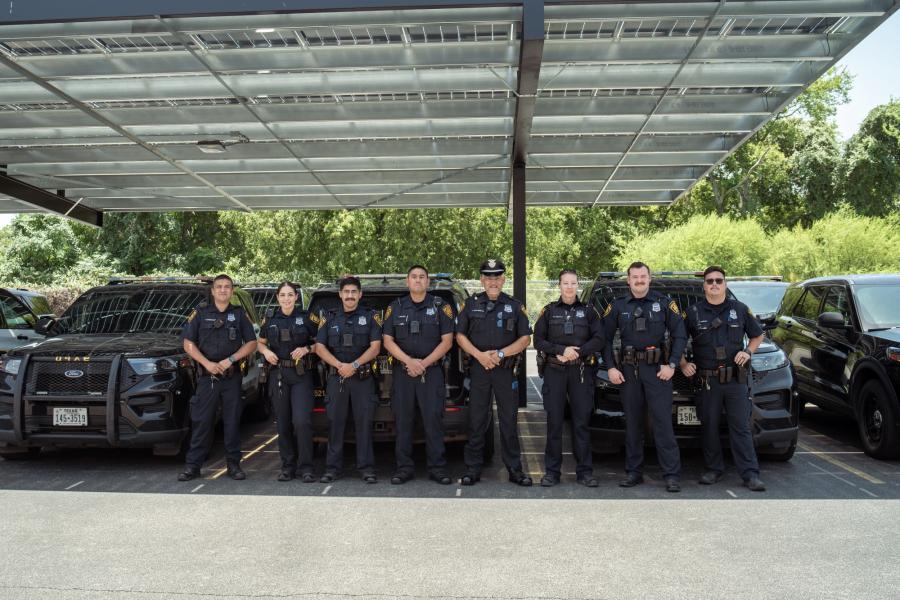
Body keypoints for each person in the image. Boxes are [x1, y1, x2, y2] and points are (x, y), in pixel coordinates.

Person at [601, 262, 687, 493]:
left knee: (662, 423)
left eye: (643, 276)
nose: (639, 280)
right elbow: (605, 339)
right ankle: (633, 472)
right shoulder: (618, 305)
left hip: (658, 371)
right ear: (628, 280)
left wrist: (672, 364)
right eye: (635, 277)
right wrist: (610, 367)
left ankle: (671, 474)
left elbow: (680, 334)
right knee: (633, 424)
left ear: (650, 278)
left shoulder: (663, 303)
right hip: (628, 371)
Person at [681, 266, 766, 491]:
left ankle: (750, 474)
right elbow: (677, 341)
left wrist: (747, 352)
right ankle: (713, 469)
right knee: (709, 426)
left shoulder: (739, 309)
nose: (714, 284)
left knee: (740, 427)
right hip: (708, 380)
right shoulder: (693, 312)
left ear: (725, 284)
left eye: (719, 280)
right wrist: (683, 364)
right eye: (710, 281)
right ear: (704, 286)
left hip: (735, 380)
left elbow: (758, 335)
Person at [456, 259, 533, 486]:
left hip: (505, 372)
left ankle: (515, 470)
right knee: (477, 421)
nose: (493, 281)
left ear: (503, 280)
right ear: (482, 279)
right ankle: (473, 469)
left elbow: (525, 339)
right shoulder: (470, 305)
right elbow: (460, 336)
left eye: (497, 277)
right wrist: (480, 356)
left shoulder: (515, 306)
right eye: (488, 277)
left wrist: (499, 355)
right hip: (479, 370)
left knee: (509, 421)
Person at [178, 274, 257, 481]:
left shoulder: (239, 314)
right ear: (212, 291)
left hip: (231, 377)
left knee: (232, 422)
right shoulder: (201, 313)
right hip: (207, 377)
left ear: (232, 291)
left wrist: (230, 359)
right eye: (219, 287)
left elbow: (251, 343)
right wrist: (207, 364)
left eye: (227, 287)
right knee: (202, 421)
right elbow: (188, 343)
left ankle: (234, 466)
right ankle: (193, 466)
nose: (223, 290)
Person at [382, 266, 455, 485]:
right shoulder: (395, 307)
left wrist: (423, 363)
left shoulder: (441, 306)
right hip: (404, 372)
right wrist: (409, 361)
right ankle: (403, 468)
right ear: (407, 281)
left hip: (430, 372)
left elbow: (447, 341)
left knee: (433, 421)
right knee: (403, 421)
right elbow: (387, 341)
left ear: (428, 282)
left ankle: (437, 468)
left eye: (422, 277)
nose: (418, 280)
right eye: (414, 277)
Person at [533, 269, 605, 487]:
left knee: (581, 423)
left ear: (578, 286)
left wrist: (578, 352)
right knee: (554, 423)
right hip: (555, 372)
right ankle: (552, 473)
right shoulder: (548, 311)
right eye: (565, 283)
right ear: (559, 286)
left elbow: (599, 339)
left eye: (573, 283)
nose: (569, 287)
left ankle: (584, 472)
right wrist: (561, 350)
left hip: (581, 371)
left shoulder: (590, 312)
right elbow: (537, 340)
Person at [314, 276, 382, 484]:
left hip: (362, 378)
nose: (350, 296)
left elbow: (376, 347)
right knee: (335, 424)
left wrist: (353, 366)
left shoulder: (371, 317)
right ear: (340, 295)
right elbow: (319, 347)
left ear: (360, 294)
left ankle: (366, 468)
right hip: (337, 378)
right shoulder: (329, 317)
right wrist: (338, 365)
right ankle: (332, 469)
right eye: (347, 292)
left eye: (354, 292)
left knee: (364, 425)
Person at [257, 281, 319, 483]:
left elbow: (322, 343)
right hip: (279, 374)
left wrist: (307, 349)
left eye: (290, 295)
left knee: (301, 422)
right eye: (282, 295)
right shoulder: (270, 319)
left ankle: (307, 467)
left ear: (296, 297)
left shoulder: (307, 318)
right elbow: (260, 342)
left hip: (301, 375)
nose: (286, 299)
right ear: (277, 298)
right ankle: (287, 467)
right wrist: (265, 352)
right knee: (283, 423)